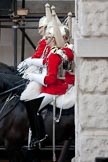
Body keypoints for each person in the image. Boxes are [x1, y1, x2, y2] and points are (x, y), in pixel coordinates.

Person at [23, 13, 74, 148]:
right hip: (59, 86)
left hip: (53, 89)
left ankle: (39, 137)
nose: (47, 41)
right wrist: (30, 61)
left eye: (49, 38)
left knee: (32, 107)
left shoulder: (55, 55)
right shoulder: (60, 51)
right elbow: (45, 62)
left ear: (55, 39)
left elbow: (50, 79)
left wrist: (32, 76)